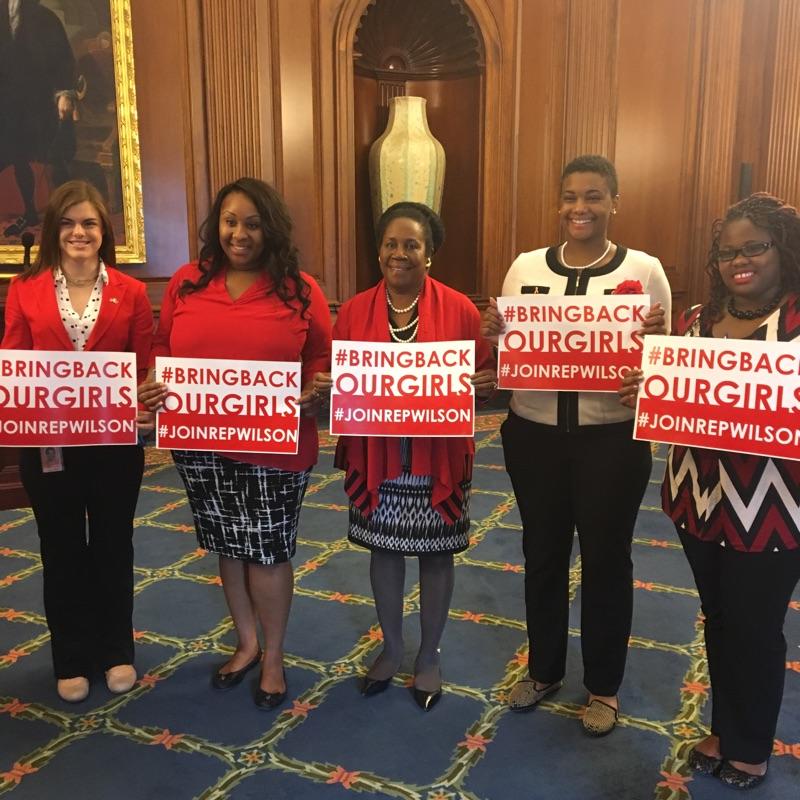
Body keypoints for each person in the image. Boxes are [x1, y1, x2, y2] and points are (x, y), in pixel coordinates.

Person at [481, 155, 671, 735]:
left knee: (607, 560)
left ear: (615, 200)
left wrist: (656, 355)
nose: (579, 208)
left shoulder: (644, 269)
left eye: (593, 196)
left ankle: (604, 687)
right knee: (541, 554)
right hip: (532, 435)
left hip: (610, 442)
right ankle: (543, 669)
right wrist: (495, 337)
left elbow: (664, 360)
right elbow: (508, 355)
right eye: (569, 196)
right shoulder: (524, 267)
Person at [621, 193, 800, 789]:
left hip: (773, 507)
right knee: (718, 618)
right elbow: (680, 399)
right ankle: (725, 726)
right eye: (727, 252)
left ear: (783, 251)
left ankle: (750, 747)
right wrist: (647, 395)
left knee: (756, 627)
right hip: (696, 499)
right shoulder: (697, 320)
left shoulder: (799, 321)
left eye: (755, 247)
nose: (739, 261)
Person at [138, 178, 331, 710]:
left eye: (251, 222)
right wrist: (154, 376)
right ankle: (245, 643)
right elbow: (162, 343)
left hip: (276, 444)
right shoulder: (186, 282)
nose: (238, 233)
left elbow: (319, 357)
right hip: (200, 442)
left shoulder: (301, 289)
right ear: (215, 225)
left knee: (266, 550)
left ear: (270, 227)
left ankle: (273, 657)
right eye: (229, 221)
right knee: (227, 542)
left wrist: (316, 387)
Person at [312, 201, 496, 711]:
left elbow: (485, 379)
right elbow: (336, 380)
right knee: (384, 550)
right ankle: (392, 649)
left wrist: (485, 382)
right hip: (378, 454)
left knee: (437, 553)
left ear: (429, 254)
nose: (400, 253)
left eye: (411, 244)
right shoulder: (351, 311)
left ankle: (430, 654)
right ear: (379, 252)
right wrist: (329, 385)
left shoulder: (460, 309)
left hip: (438, 455)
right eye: (391, 244)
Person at [1, 179, 153, 702]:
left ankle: (116, 652)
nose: (78, 232)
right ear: (53, 230)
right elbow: (15, 362)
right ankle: (70, 657)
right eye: (68, 223)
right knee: (61, 549)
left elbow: (144, 368)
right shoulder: (25, 289)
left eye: (89, 223)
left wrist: (145, 398)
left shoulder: (131, 292)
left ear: (103, 230)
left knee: (113, 546)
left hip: (115, 445)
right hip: (49, 447)